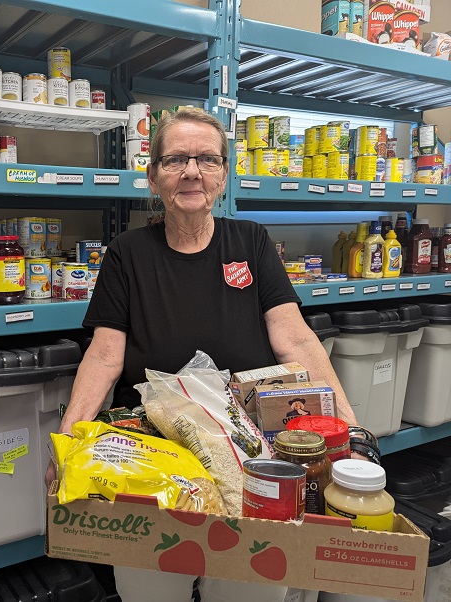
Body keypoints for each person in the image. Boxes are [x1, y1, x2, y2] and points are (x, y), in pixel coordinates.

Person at [45, 108, 363, 601]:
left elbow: (295, 340)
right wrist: (67, 442)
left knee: (249, 587)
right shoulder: (128, 253)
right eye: (175, 160)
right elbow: (105, 356)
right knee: (152, 586)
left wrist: (351, 427)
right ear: (152, 177)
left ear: (223, 173)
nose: (191, 171)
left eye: (207, 159)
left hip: (248, 447)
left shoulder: (252, 242)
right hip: (151, 451)